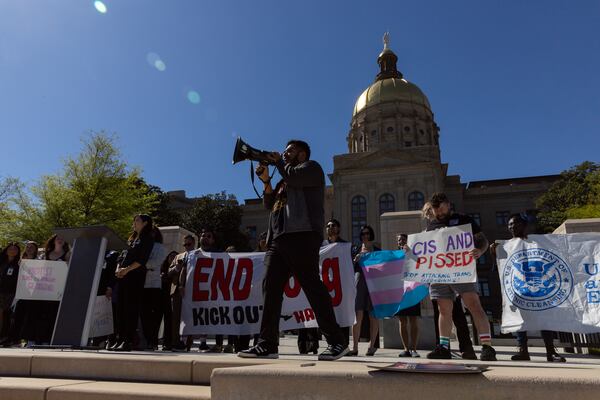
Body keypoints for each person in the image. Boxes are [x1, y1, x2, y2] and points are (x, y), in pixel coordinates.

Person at [239, 139, 348, 360]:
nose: (285, 153)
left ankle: (337, 341)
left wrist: (279, 163)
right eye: (285, 151)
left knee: (311, 287)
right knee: (270, 290)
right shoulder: (284, 180)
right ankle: (267, 343)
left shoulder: (311, 168)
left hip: (303, 235)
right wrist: (266, 181)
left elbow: (294, 177)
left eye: (290, 151)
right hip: (278, 239)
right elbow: (270, 204)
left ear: (302, 154)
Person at [420, 193, 497, 361]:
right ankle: (444, 347)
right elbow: (425, 249)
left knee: (474, 305)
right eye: (435, 209)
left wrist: (480, 251)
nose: (439, 212)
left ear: (448, 204)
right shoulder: (432, 226)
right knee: (443, 310)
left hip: (462, 269)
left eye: (441, 208)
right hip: (439, 273)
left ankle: (487, 347)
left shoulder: (463, 219)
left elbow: (482, 240)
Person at [490, 213, 566, 363]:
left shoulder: (537, 242)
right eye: (510, 225)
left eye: (515, 224)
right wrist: (494, 254)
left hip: (540, 290)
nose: (512, 227)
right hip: (519, 291)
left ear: (524, 225)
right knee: (520, 321)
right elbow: (501, 269)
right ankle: (522, 350)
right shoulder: (506, 246)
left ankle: (551, 351)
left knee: (544, 320)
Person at [109, 214, 155, 352]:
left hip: (135, 277)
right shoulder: (131, 238)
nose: (134, 223)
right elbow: (121, 256)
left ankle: (128, 341)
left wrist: (127, 270)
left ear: (146, 223)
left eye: (137, 220)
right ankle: (120, 339)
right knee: (120, 310)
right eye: (134, 220)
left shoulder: (148, 239)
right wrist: (119, 269)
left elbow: (142, 260)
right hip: (122, 277)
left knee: (130, 309)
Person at [21, 235, 71, 346]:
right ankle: (31, 340)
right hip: (40, 288)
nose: (60, 239)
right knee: (34, 313)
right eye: (57, 238)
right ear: (53, 240)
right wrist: (25, 265)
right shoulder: (44, 254)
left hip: (56, 290)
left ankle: (46, 341)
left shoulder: (68, 255)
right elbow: (35, 270)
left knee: (50, 314)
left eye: (62, 238)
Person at [348, 225, 380, 356]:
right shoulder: (355, 249)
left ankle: (372, 346)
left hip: (374, 284)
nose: (365, 236)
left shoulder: (377, 250)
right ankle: (354, 347)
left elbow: (384, 266)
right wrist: (355, 260)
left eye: (367, 233)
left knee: (373, 316)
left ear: (371, 234)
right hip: (359, 282)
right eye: (363, 234)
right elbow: (349, 266)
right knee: (357, 315)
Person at [167, 234, 197, 351]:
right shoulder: (178, 256)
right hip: (176, 291)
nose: (186, 247)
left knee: (189, 318)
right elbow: (169, 272)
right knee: (176, 318)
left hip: (191, 290)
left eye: (189, 244)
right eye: (185, 244)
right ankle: (175, 342)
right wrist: (177, 268)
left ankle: (188, 343)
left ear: (194, 243)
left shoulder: (198, 256)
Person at [140, 227, 168, 351]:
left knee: (153, 317)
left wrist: (140, 264)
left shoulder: (160, 248)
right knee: (143, 315)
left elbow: (155, 263)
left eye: (152, 232)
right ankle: (146, 340)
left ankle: (153, 341)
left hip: (153, 285)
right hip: (141, 284)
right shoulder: (142, 245)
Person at [396, 234, 421, 358]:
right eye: (399, 240)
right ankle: (406, 349)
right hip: (400, 290)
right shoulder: (395, 255)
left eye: (403, 239)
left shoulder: (414, 253)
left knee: (413, 319)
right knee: (402, 321)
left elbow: (420, 262)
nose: (401, 241)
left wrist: (410, 252)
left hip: (413, 290)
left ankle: (414, 349)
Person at [0, 243, 21, 342]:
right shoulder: (1, 262)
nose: (12, 251)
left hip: (11, 294)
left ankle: (5, 336)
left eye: (15, 249)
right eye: (10, 249)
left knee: (6, 315)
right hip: (1, 291)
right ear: (6, 250)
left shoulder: (19, 264)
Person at [160, 250, 178, 351]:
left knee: (169, 321)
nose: (172, 258)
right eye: (170, 256)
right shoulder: (162, 269)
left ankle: (168, 342)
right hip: (161, 296)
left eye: (175, 256)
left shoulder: (178, 270)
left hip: (171, 297)